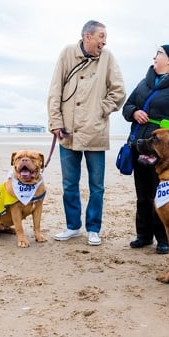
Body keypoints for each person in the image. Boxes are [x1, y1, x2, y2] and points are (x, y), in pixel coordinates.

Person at [47, 20, 126, 246]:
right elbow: (55, 90)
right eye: (101, 36)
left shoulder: (108, 58)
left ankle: (93, 228)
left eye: (105, 37)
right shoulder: (67, 54)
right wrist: (55, 121)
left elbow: (119, 91)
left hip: (95, 131)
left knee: (96, 186)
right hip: (67, 132)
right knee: (69, 184)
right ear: (87, 36)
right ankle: (72, 226)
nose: (104, 41)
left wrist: (101, 109)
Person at [122, 43, 169, 254]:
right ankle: (143, 235)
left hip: (164, 153)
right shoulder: (143, 83)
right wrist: (134, 112)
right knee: (143, 194)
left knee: (162, 194)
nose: (154, 57)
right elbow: (127, 107)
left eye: (159, 53)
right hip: (140, 145)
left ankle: (164, 238)